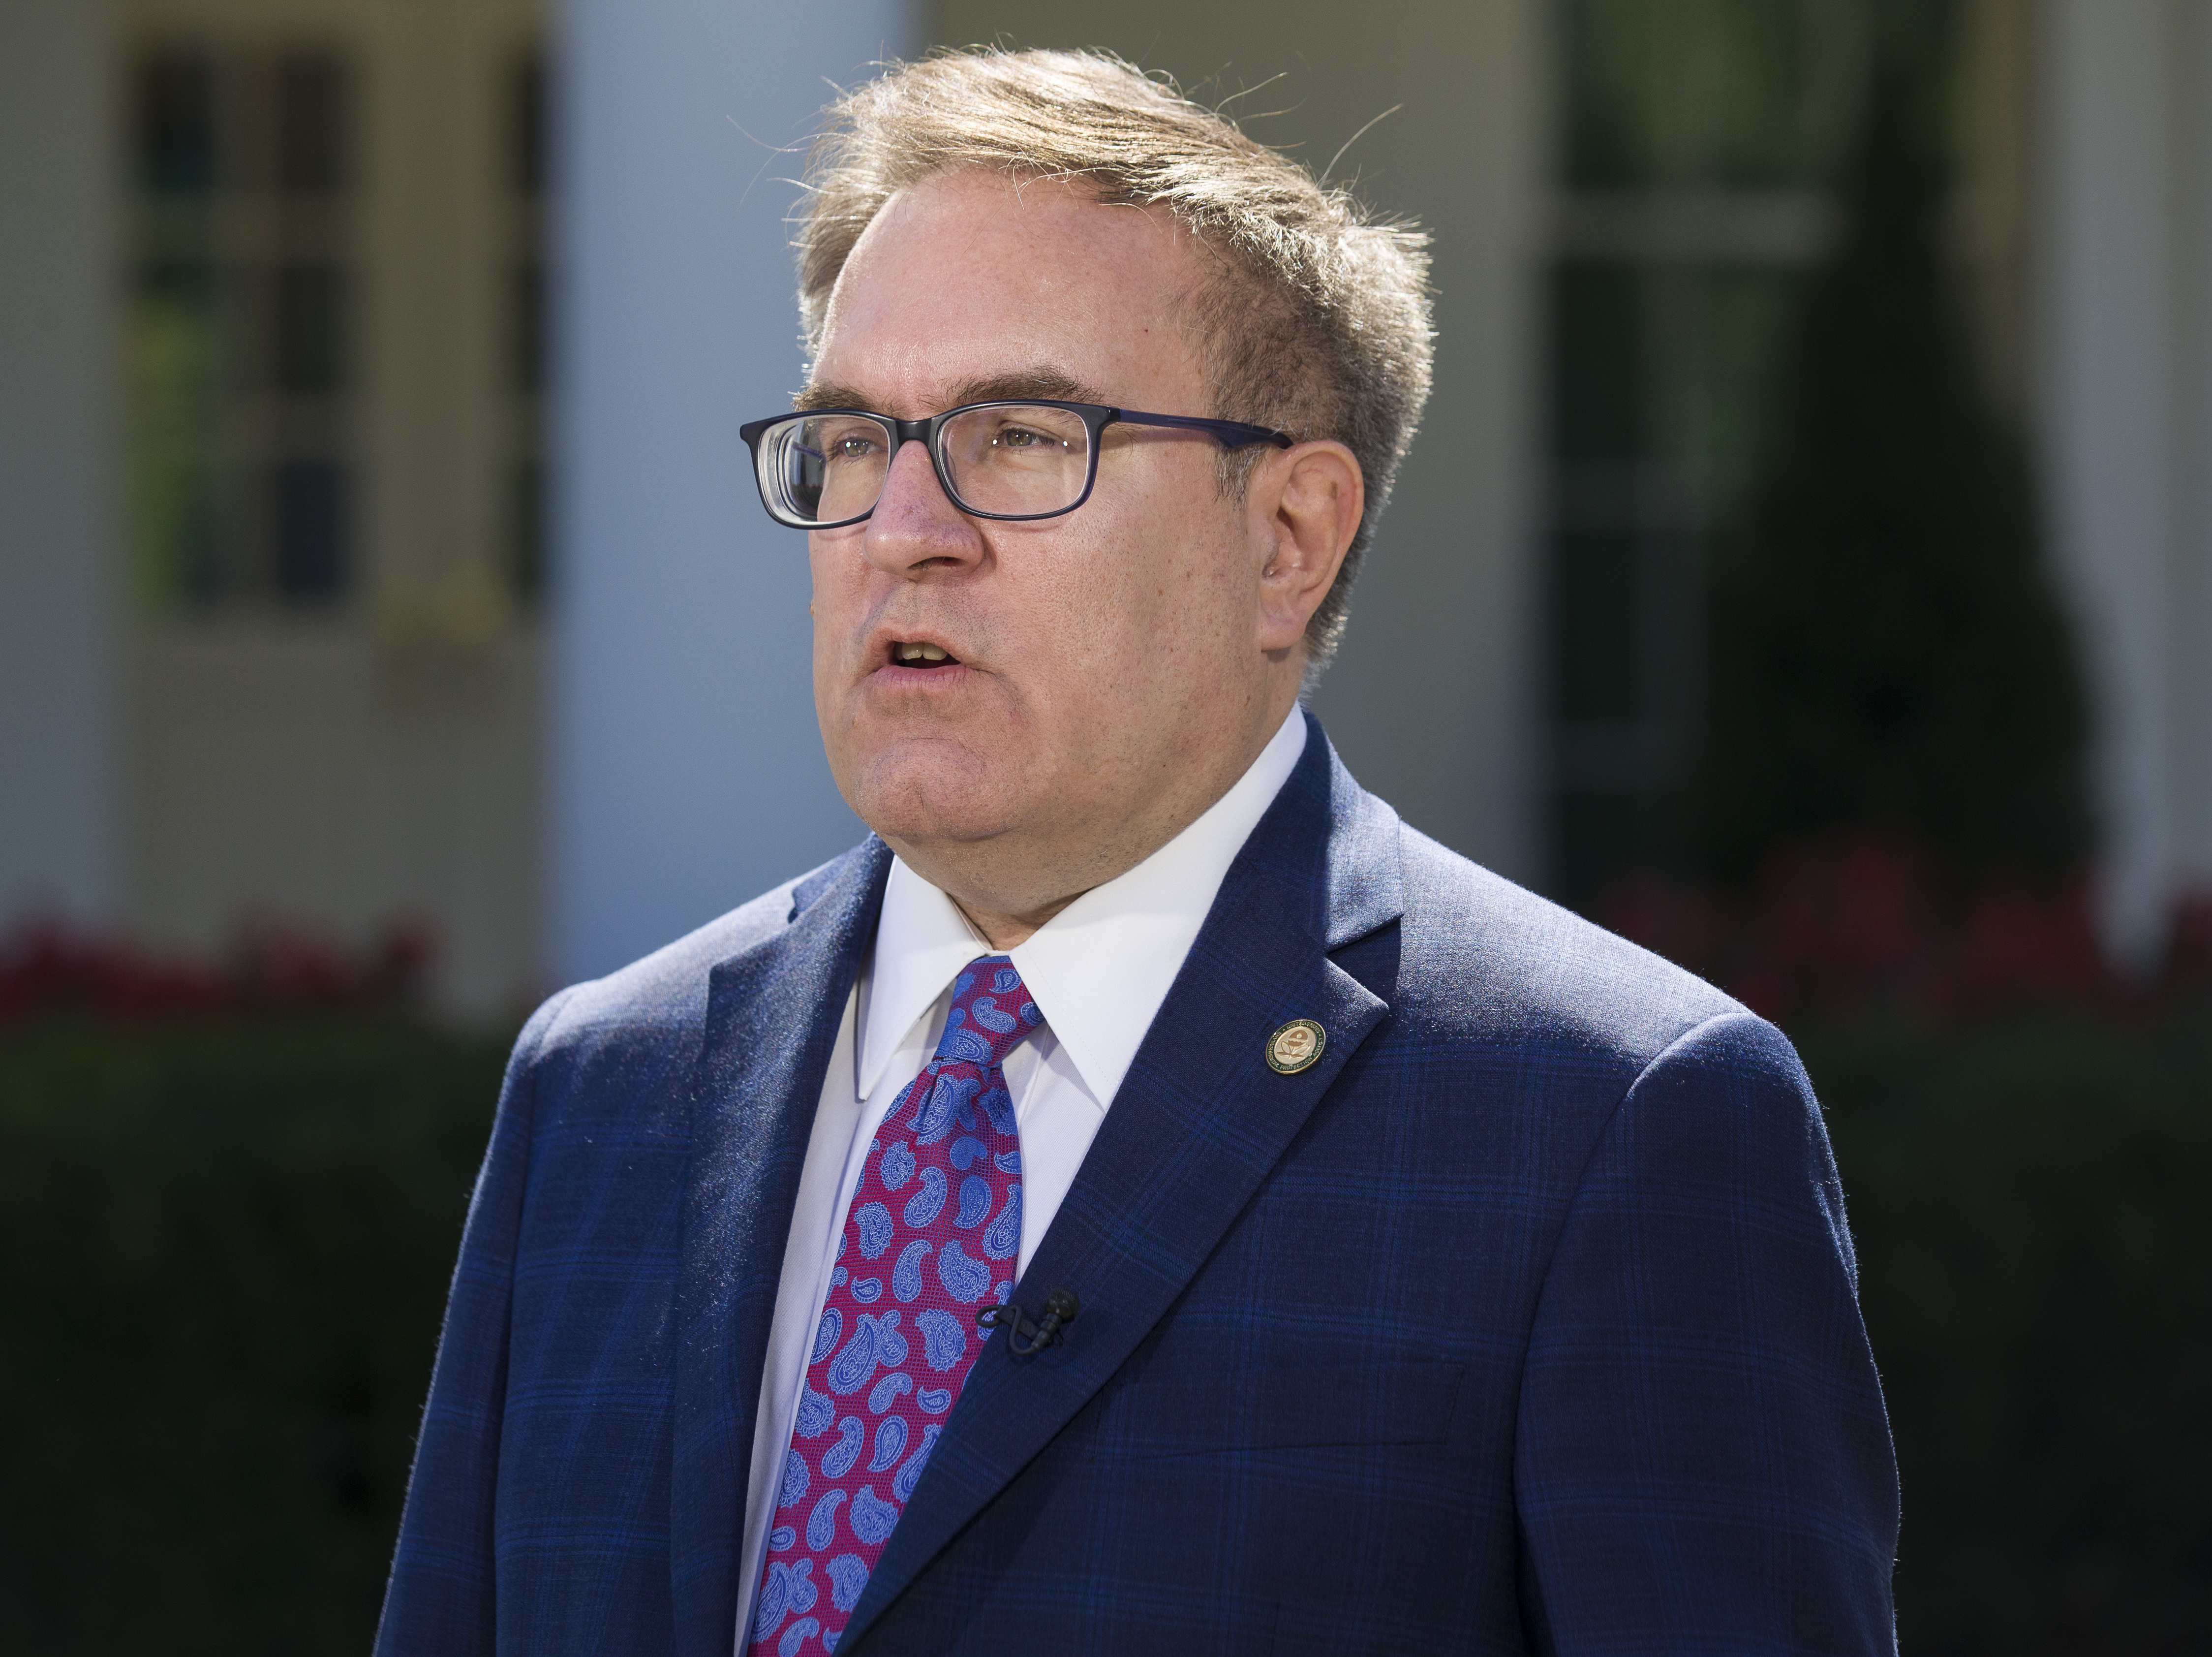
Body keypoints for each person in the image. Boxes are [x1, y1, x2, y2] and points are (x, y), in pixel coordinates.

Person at [376, 48, 1898, 1657]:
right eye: (848, 440)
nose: (902, 528)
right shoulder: (605, 1094)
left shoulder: (1614, 1124)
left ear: (1287, 540)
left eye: (1021, 436)